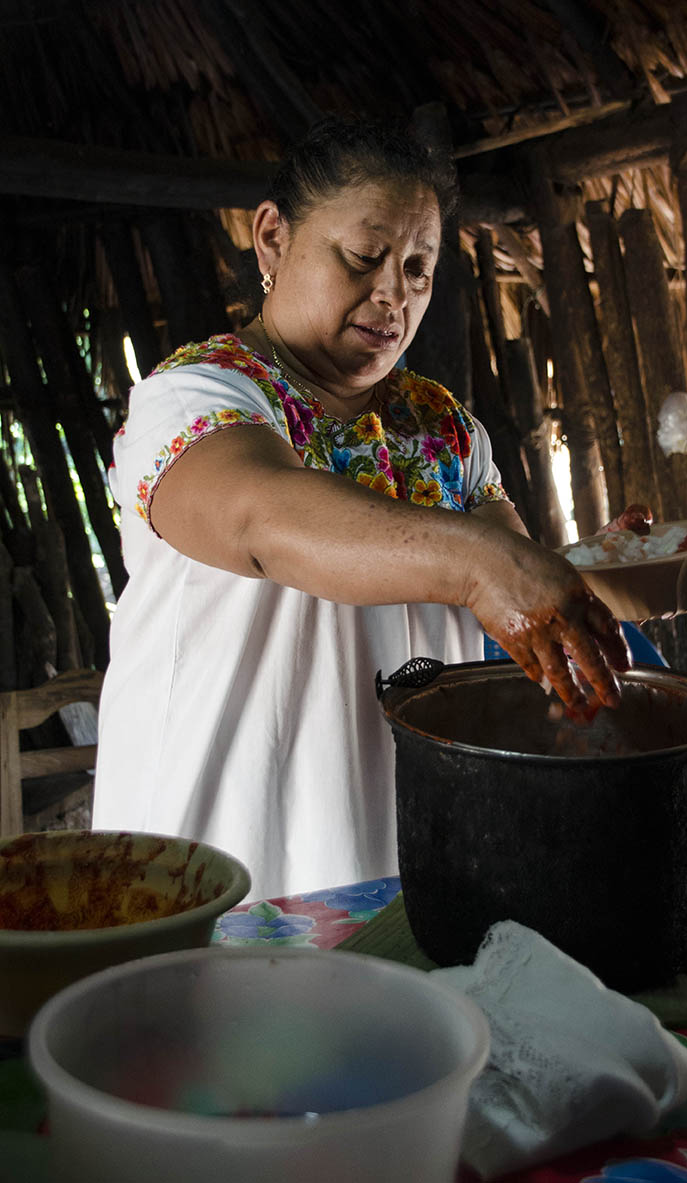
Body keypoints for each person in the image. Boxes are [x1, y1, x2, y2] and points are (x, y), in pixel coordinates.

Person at [92, 117, 630, 899]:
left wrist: (591, 576)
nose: (393, 294)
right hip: (217, 856)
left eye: (419, 267)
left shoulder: (444, 428)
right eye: (364, 256)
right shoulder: (196, 398)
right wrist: (486, 564)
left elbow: (508, 586)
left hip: (399, 853)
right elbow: (262, 520)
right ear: (273, 237)